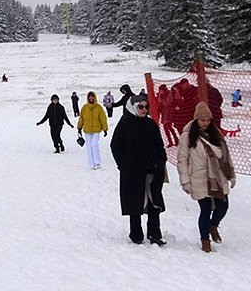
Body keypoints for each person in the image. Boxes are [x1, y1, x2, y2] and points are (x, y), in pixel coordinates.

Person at [177, 102, 236, 253]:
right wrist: (185, 181)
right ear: (196, 120)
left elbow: (226, 156)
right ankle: (205, 241)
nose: (205, 123)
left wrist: (231, 174)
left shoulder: (216, 134)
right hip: (199, 177)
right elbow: (182, 159)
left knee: (223, 206)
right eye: (202, 120)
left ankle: (213, 225)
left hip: (218, 176)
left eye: (208, 120)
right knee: (205, 209)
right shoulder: (188, 136)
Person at [110, 94, 167, 245]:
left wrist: (161, 161)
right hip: (133, 172)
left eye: (146, 107)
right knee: (135, 203)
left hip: (152, 171)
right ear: (134, 107)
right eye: (140, 107)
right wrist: (123, 165)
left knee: (154, 203)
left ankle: (155, 234)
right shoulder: (125, 123)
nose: (144, 110)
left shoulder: (150, 124)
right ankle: (136, 234)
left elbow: (159, 145)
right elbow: (116, 145)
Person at [77, 92, 109, 170]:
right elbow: (81, 118)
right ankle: (91, 163)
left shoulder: (98, 107)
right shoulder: (85, 107)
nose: (91, 98)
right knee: (89, 146)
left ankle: (97, 162)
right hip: (87, 130)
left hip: (96, 129)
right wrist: (79, 127)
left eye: (92, 97)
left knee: (94, 144)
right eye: (90, 97)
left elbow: (103, 118)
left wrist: (105, 129)